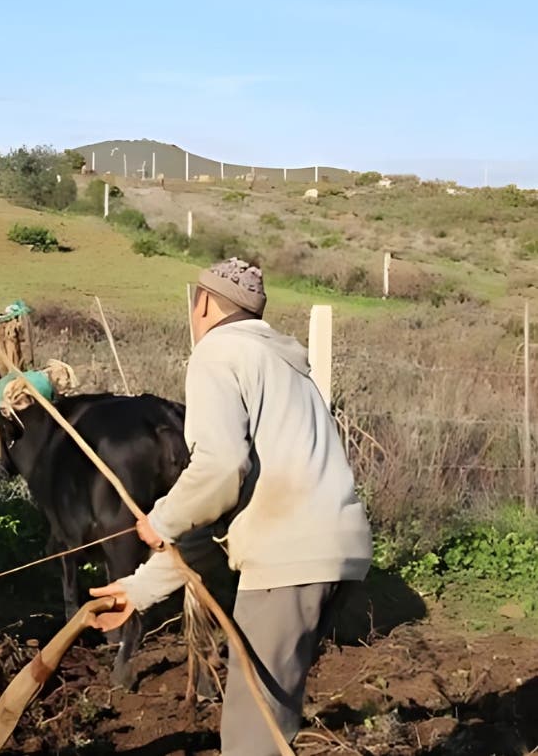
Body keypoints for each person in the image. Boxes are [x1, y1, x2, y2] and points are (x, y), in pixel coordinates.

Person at [90, 258, 373, 756]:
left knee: (250, 738)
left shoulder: (217, 353)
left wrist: (160, 520)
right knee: (272, 720)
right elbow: (222, 522)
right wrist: (137, 590)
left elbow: (221, 470)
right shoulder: (284, 364)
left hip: (286, 562)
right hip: (338, 557)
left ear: (201, 302)